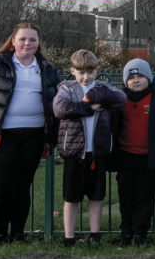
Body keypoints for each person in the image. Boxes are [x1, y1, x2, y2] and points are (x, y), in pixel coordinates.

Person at [0, 22, 63, 245]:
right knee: (2, 186)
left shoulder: (47, 68)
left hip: (34, 135)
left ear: (38, 43)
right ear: (13, 41)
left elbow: (57, 103)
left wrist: (52, 138)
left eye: (32, 39)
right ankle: (0, 235)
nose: (27, 43)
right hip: (2, 136)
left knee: (23, 187)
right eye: (22, 39)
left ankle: (18, 234)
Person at [52, 50, 126, 247]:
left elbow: (121, 99)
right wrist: (89, 108)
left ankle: (95, 235)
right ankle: (69, 236)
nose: (86, 77)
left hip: (98, 150)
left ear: (97, 71)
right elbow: (60, 109)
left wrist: (104, 96)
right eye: (81, 72)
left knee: (97, 195)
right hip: (74, 150)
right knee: (71, 196)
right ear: (72, 71)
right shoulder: (67, 88)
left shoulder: (103, 88)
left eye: (91, 72)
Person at [113, 58, 155, 246]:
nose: (136, 80)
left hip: (149, 158)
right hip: (125, 156)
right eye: (132, 76)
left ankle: (139, 234)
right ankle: (126, 234)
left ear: (149, 78)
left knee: (145, 197)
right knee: (126, 197)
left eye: (141, 76)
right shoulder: (118, 99)